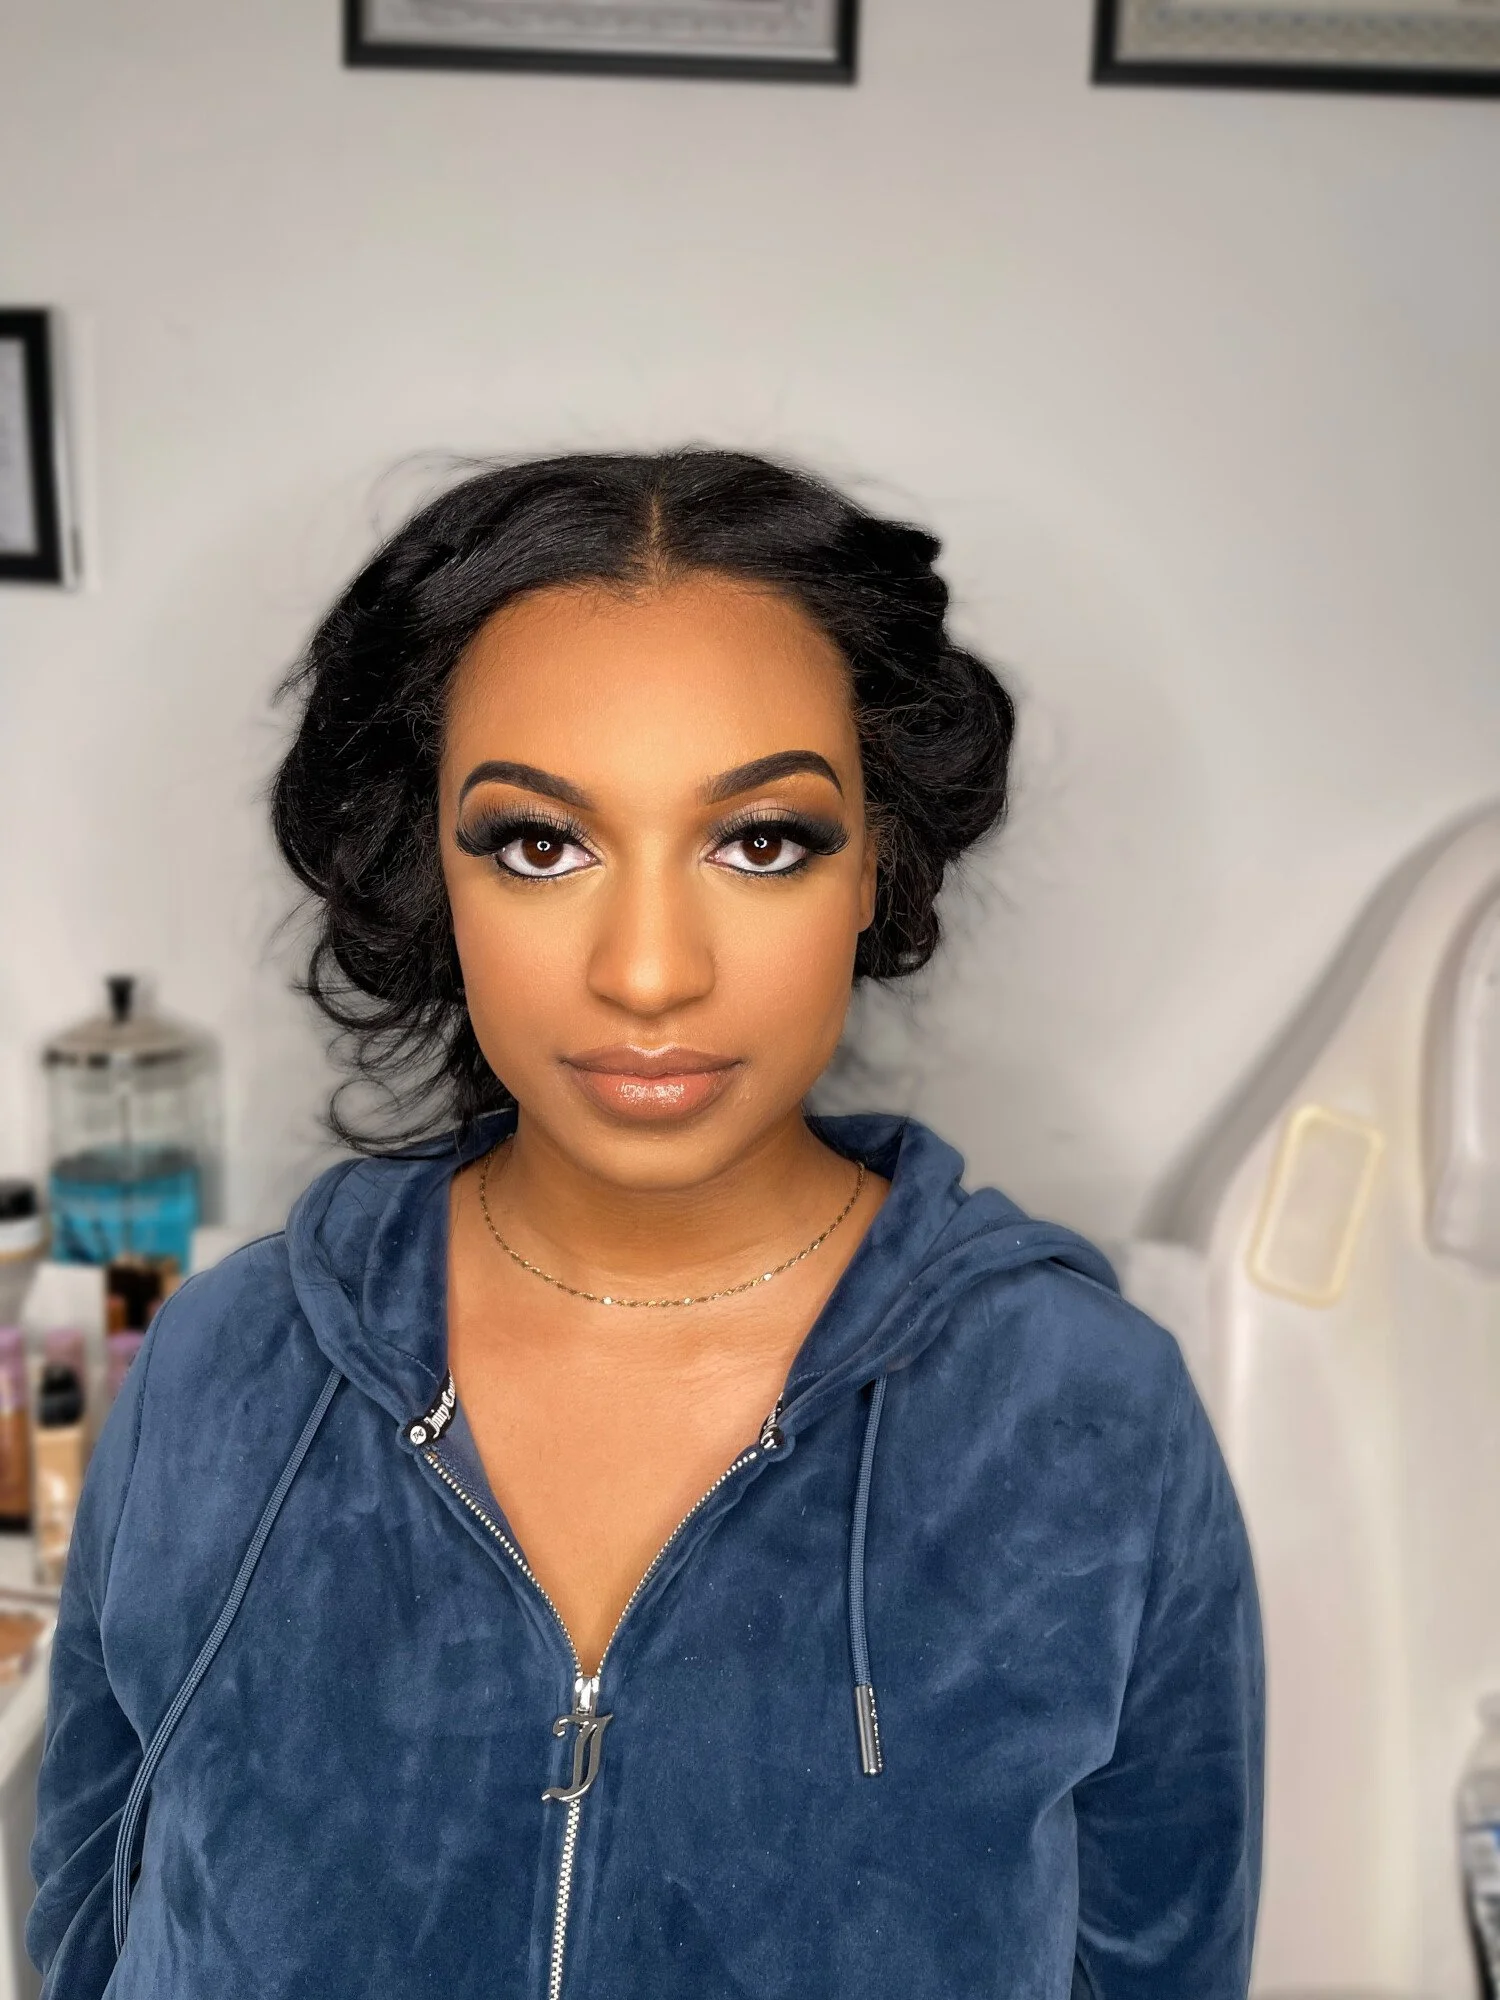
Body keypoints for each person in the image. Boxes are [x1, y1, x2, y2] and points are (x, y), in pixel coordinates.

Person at [28, 450, 1263, 1999]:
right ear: (436, 869)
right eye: (541, 844)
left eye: (762, 841)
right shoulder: (225, 1375)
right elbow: (83, 1926)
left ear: (876, 864)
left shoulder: (1087, 1418)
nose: (651, 971)